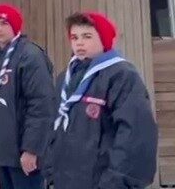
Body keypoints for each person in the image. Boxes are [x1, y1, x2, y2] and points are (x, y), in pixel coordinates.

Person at [45, 12, 158, 189]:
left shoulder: (122, 76)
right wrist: (50, 172)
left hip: (102, 181)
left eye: (87, 36)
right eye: (74, 37)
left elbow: (134, 134)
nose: (79, 42)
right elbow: (54, 126)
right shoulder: (65, 79)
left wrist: (117, 182)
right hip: (65, 180)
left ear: (104, 40)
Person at [0, 4, 55, 189]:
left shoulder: (30, 56)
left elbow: (41, 105)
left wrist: (32, 149)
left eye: (4, 23)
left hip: (23, 151)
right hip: (3, 150)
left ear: (16, 26)